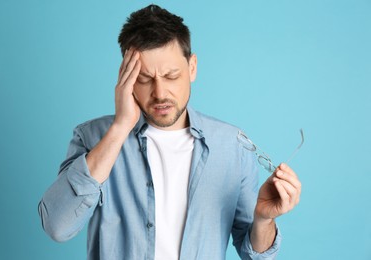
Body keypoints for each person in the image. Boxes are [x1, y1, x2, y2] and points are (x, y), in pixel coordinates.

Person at [38, 4, 301, 260]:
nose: (160, 93)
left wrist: (264, 219)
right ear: (125, 79)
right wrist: (120, 127)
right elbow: (58, 227)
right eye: (143, 79)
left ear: (192, 68)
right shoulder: (93, 138)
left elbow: (253, 254)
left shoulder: (233, 147)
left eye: (172, 76)